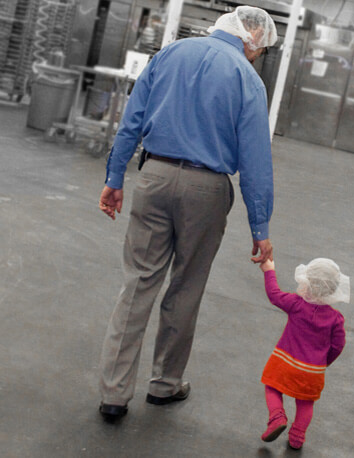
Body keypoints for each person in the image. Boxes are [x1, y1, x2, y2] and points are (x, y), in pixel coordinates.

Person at [97, 6, 277, 422]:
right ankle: (164, 384)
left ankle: (113, 393)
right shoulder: (248, 79)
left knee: (137, 284)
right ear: (252, 40)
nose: (257, 56)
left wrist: (114, 177)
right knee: (186, 286)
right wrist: (260, 226)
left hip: (154, 177)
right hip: (208, 189)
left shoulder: (169, 54)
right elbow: (255, 161)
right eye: (261, 50)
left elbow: (132, 121)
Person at [259, 257, 350, 449]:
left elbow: (274, 294)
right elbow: (338, 345)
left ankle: (277, 417)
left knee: (272, 387)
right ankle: (297, 437)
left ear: (306, 284)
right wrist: (323, 363)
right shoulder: (336, 319)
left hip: (285, 362)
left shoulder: (296, 304)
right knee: (306, 403)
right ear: (333, 290)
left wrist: (269, 270)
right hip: (313, 371)